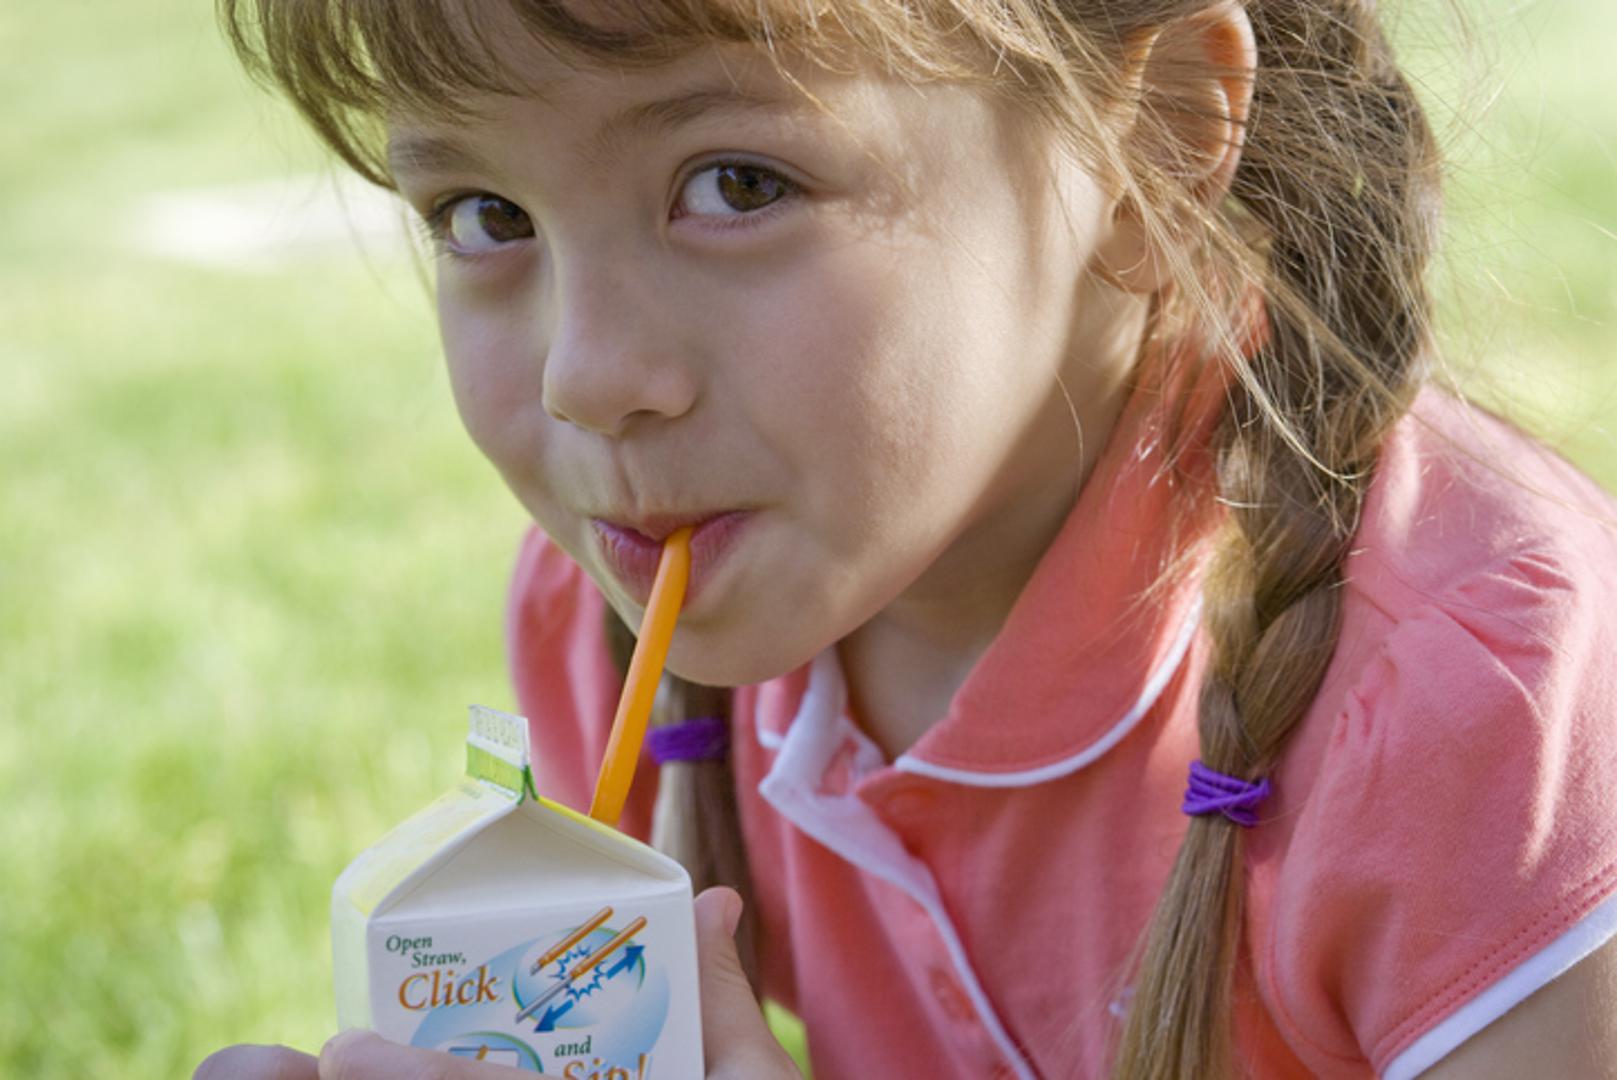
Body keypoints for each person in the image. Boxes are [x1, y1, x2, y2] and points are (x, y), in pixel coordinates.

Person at [196, 1, 1617, 1077]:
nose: (587, 374)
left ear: (1159, 142)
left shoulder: (1479, 709)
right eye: (484, 214)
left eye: (736, 184)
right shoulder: (605, 630)